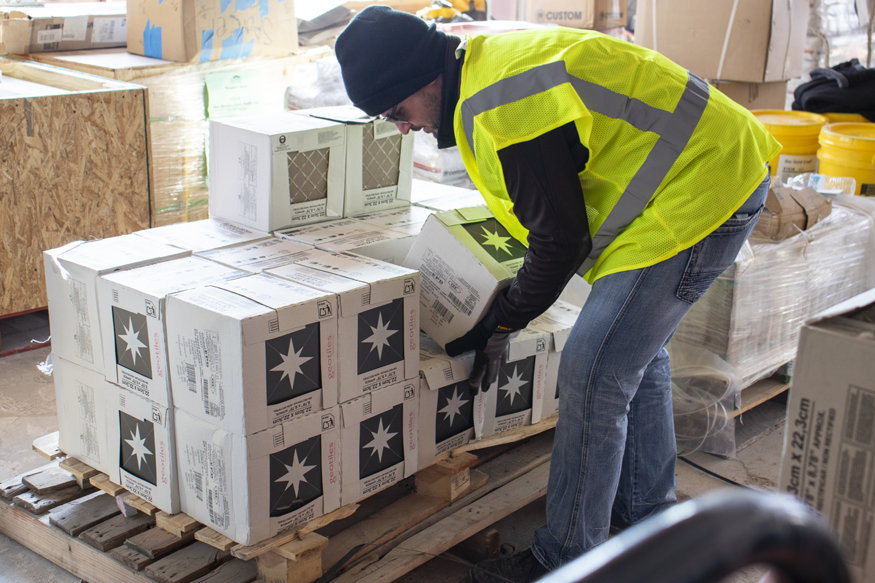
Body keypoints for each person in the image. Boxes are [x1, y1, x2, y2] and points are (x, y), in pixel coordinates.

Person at [334, 7, 780, 583]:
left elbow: (560, 242)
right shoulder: (486, 72)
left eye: (397, 112)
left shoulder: (502, 105)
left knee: (593, 371)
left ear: (423, 79)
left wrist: (502, 321)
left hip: (704, 187)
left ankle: (568, 558)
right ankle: (650, 519)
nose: (401, 127)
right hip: (695, 175)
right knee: (631, 355)